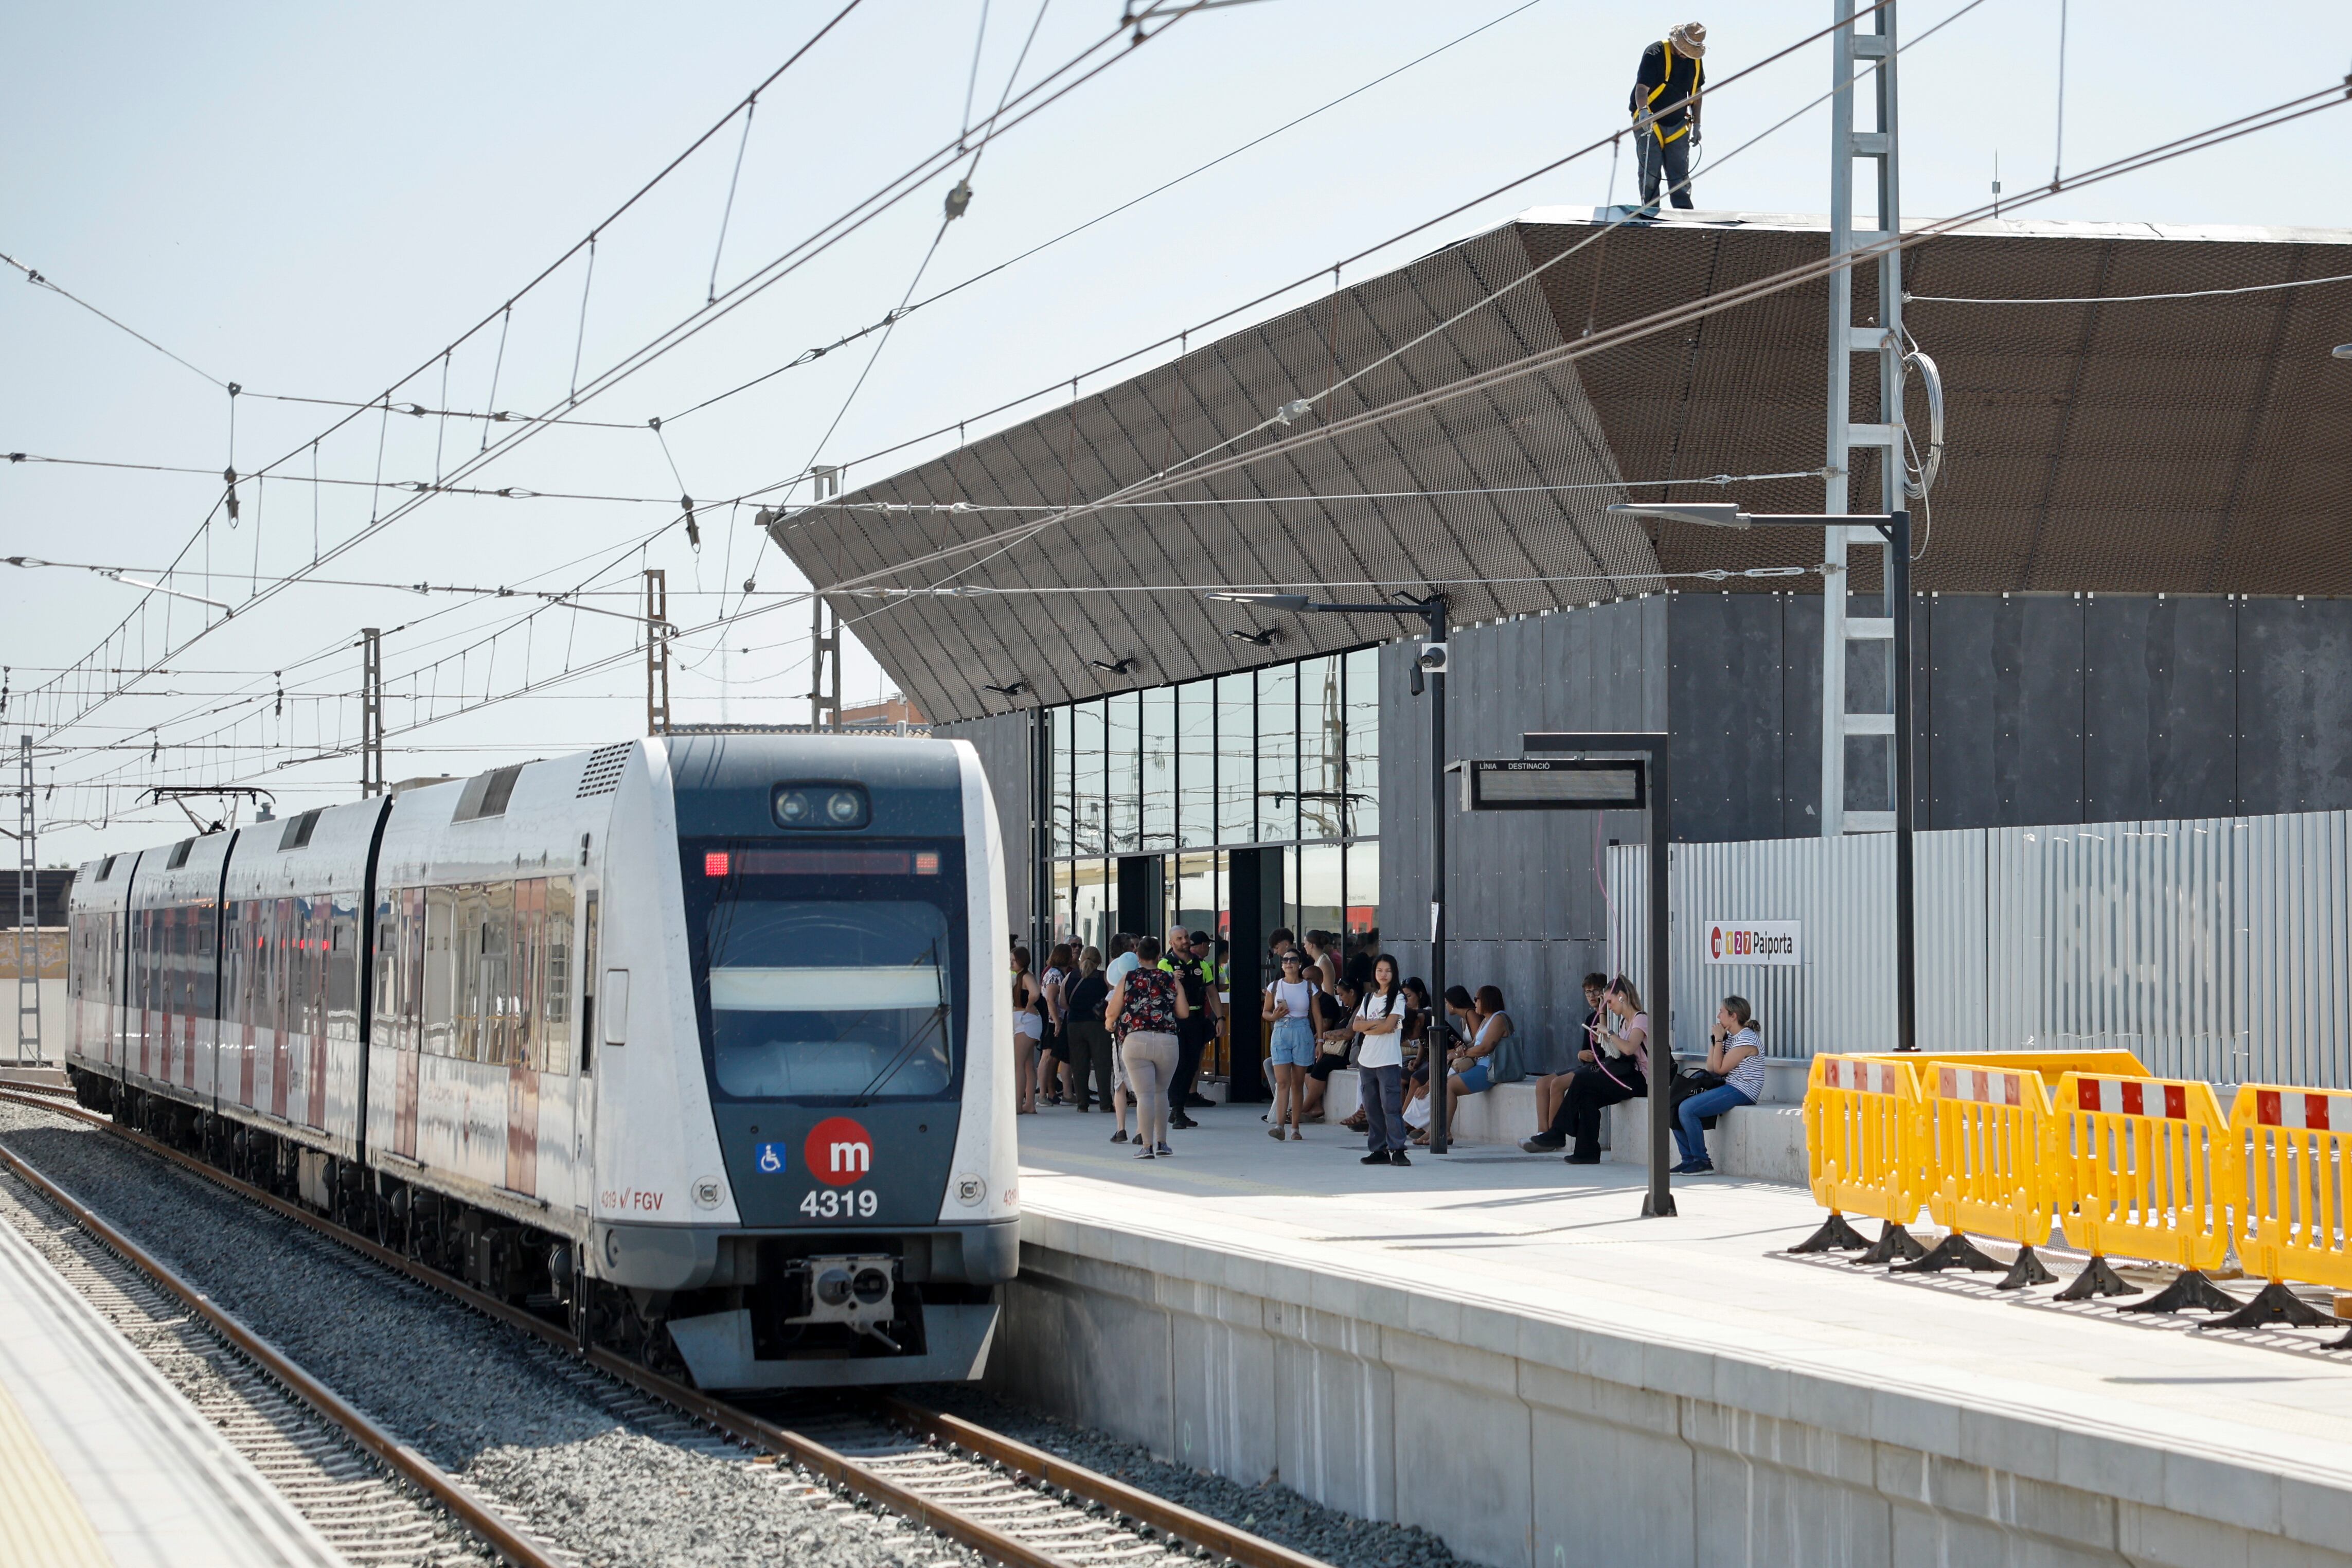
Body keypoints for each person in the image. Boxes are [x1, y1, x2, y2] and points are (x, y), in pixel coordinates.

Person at [1524, 976, 1650, 1162]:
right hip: (1627, 1077)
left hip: (1643, 1080)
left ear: (1622, 997)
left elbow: (1630, 1048)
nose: (1609, 1005)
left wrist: (1610, 1034)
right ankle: (1586, 1152)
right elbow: (1618, 1054)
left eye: (1610, 1001)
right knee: (1587, 1096)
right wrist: (1605, 1040)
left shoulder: (1641, 1019)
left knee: (1582, 1080)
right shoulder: (1625, 1023)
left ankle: (1558, 1132)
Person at [1105, 935, 1188, 1158]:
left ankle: (1147, 1146)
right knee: (1161, 1093)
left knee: (1144, 1095)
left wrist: (1109, 1022)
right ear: (1159, 956)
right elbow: (1184, 1012)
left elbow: (1112, 1011)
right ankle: (1163, 1143)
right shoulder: (1171, 979)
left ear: (1138, 957)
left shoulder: (1128, 978)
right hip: (1167, 1041)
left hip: (1136, 1039)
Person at [1674, 995, 1764, 1174]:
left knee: (1687, 1109)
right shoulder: (1731, 1037)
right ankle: (1688, 1159)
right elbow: (1711, 1068)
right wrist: (1716, 1040)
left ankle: (1702, 1161)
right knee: (1674, 1103)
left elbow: (1720, 1069)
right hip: (1730, 1086)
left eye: (1722, 1012)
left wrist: (1719, 1040)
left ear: (1733, 1015)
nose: (1718, 1016)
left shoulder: (1746, 1039)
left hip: (1743, 1090)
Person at [1630, 22, 1705, 214]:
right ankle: (1650, 212)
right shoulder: (1655, 53)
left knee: (1679, 175)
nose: (1684, 55)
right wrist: (1644, 112)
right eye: (1682, 51)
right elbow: (1642, 89)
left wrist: (1697, 124)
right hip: (1650, 119)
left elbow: (1696, 94)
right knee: (1651, 171)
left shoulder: (1694, 60)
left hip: (1678, 123)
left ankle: (1684, 215)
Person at [1534, 974, 1613, 1137]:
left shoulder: (1611, 1016)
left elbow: (1613, 1050)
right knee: (1542, 1083)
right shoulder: (1591, 1018)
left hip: (1603, 1067)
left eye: (1595, 990)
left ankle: (1554, 1134)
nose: (1591, 996)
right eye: (1587, 992)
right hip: (1587, 1065)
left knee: (1557, 1084)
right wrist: (1580, 1054)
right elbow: (1584, 1051)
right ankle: (1543, 1132)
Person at [1353, 954, 1411, 1166]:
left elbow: (1390, 1026)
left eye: (1387, 970)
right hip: (1367, 1060)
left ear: (1394, 972)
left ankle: (1398, 1149)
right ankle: (1378, 1150)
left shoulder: (1398, 997)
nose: (1383, 974)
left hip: (1388, 1061)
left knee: (1391, 1107)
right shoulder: (1368, 998)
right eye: (1380, 970)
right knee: (1372, 1108)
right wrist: (1377, 1024)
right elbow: (1356, 1026)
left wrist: (1370, 1025)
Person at [1164, 929, 1222, 1127]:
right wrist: (1171, 979)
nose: (1185, 941)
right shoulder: (1166, 964)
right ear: (1172, 943)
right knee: (1178, 1064)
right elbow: (1157, 991)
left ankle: (1178, 1107)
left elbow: (1212, 992)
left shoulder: (1201, 965)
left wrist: (1220, 1018)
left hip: (1196, 1018)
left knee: (1191, 1065)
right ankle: (1177, 1109)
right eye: (1179, 939)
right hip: (1175, 1020)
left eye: (1186, 937)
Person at [1438, 985, 1513, 1129]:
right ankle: (1436, 1130)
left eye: (1477, 999)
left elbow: (1485, 1048)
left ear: (1487, 1000)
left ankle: (1444, 1131)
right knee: (1443, 1083)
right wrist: (1463, 1048)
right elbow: (1475, 1043)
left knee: (1450, 1086)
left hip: (1490, 1069)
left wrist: (1461, 1054)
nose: (1475, 1003)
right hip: (1482, 1066)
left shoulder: (1499, 1019)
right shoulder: (1487, 1020)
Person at [1262, 949, 1317, 1141]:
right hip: (1281, 1031)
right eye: (1285, 960)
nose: (1288, 963)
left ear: (1300, 964)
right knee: (1283, 1081)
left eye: (1293, 960)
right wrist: (1274, 1016)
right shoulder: (1275, 986)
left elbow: (1317, 1015)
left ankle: (1295, 1127)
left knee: (1298, 1082)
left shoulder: (1309, 987)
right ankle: (1280, 1125)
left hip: (1302, 1030)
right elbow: (1265, 1013)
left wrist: (1320, 1040)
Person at [1064, 948, 1116, 1119]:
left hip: (1074, 1024)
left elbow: (1063, 1003)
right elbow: (1112, 999)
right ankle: (1105, 1104)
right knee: (1102, 1064)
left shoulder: (1070, 977)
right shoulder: (1103, 977)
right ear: (1099, 961)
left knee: (1079, 1065)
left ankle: (1082, 1104)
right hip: (1097, 1025)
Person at [1300, 972, 1357, 1123]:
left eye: (1343, 995)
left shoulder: (1359, 1008)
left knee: (1322, 1066)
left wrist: (1325, 1035)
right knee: (1310, 1066)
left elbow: (1349, 1033)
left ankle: (1302, 1109)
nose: (1341, 999)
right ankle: (1316, 1107)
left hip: (1347, 1054)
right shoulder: (1348, 1011)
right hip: (1336, 1051)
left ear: (1352, 992)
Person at [1038, 942, 1074, 1108]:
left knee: (1052, 1058)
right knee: (1047, 1057)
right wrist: (1057, 1022)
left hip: (1054, 1020)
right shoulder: (1055, 975)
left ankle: (1050, 1093)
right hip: (1053, 1021)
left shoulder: (1056, 973)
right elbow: (1051, 999)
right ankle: (1043, 1094)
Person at [1010, 946, 1044, 1115]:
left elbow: (1036, 993)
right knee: (1027, 1065)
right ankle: (1029, 1104)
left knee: (1018, 1064)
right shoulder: (1018, 976)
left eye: (1014, 960)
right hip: (1024, 1020)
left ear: (1022, 961)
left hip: (1026, 1020)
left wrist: (1029, 1006)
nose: (1011, 963)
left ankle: (1018, 1104)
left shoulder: (1026, 976)